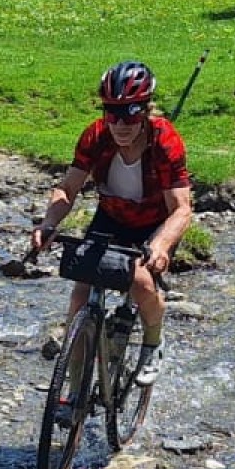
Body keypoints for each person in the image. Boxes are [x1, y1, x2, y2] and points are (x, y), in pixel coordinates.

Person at [28, 59, 195, 388]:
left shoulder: (165, 142)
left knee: (142, 283)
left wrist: (160, 246)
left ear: (146, 109)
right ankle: (73, 392)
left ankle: (152, 343)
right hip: (111, 216)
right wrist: (47, 224)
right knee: (79, 297)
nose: (120, 123)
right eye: (111, 112)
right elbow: (67, 188)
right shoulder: (96, 136)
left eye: (130, 113)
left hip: (152, 224)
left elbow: (181, 209)